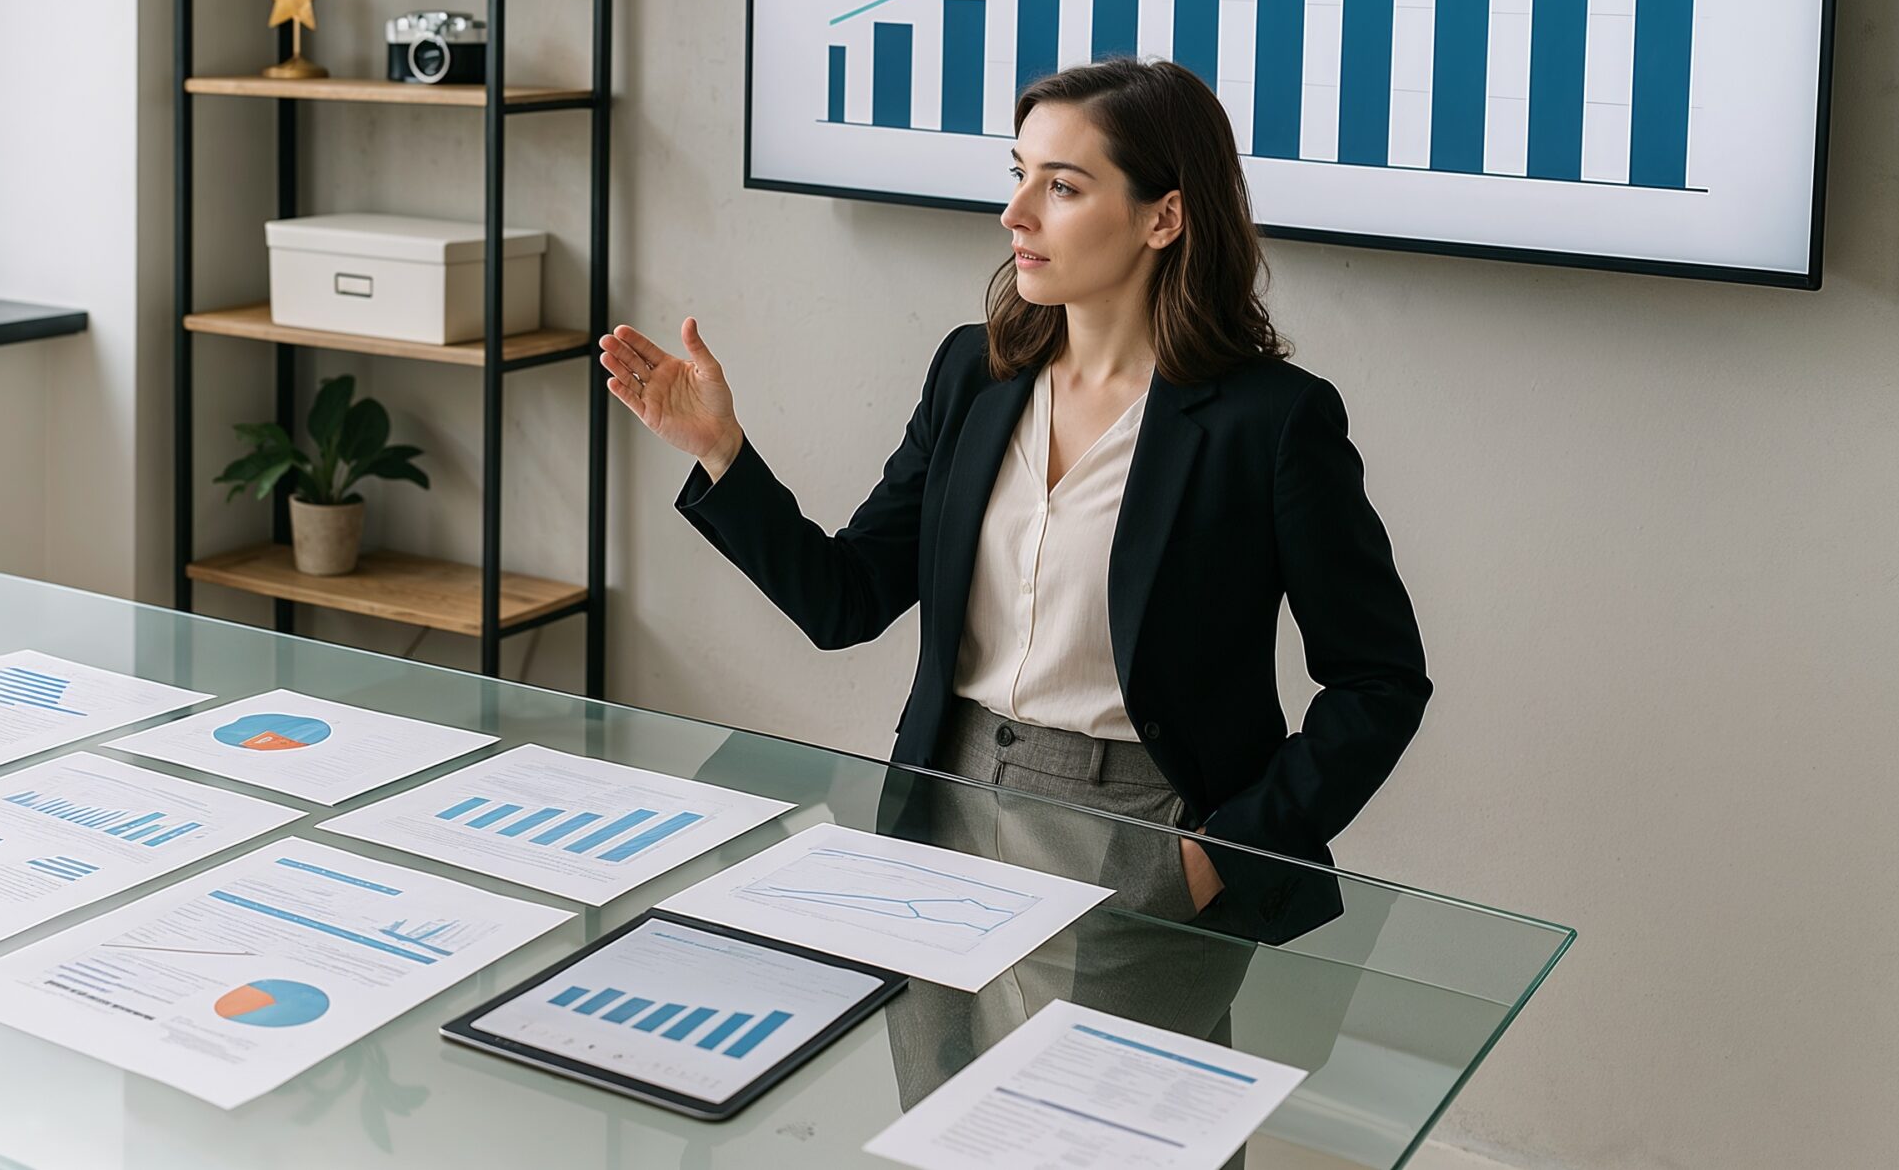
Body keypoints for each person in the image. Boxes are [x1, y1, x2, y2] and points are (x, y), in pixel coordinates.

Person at [601, 58, 1430, 1125]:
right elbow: (845, 599)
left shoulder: (1269, 421)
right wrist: (721, 455)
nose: (1014, 213)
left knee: (1116, 1136)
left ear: (1164, 216)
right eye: (1017, 174)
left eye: (1062, 186)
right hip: (939, 813)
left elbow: (1377, 680)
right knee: (947, 1124)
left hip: (1138, 831)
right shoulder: (973, 376)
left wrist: (1213, 858)